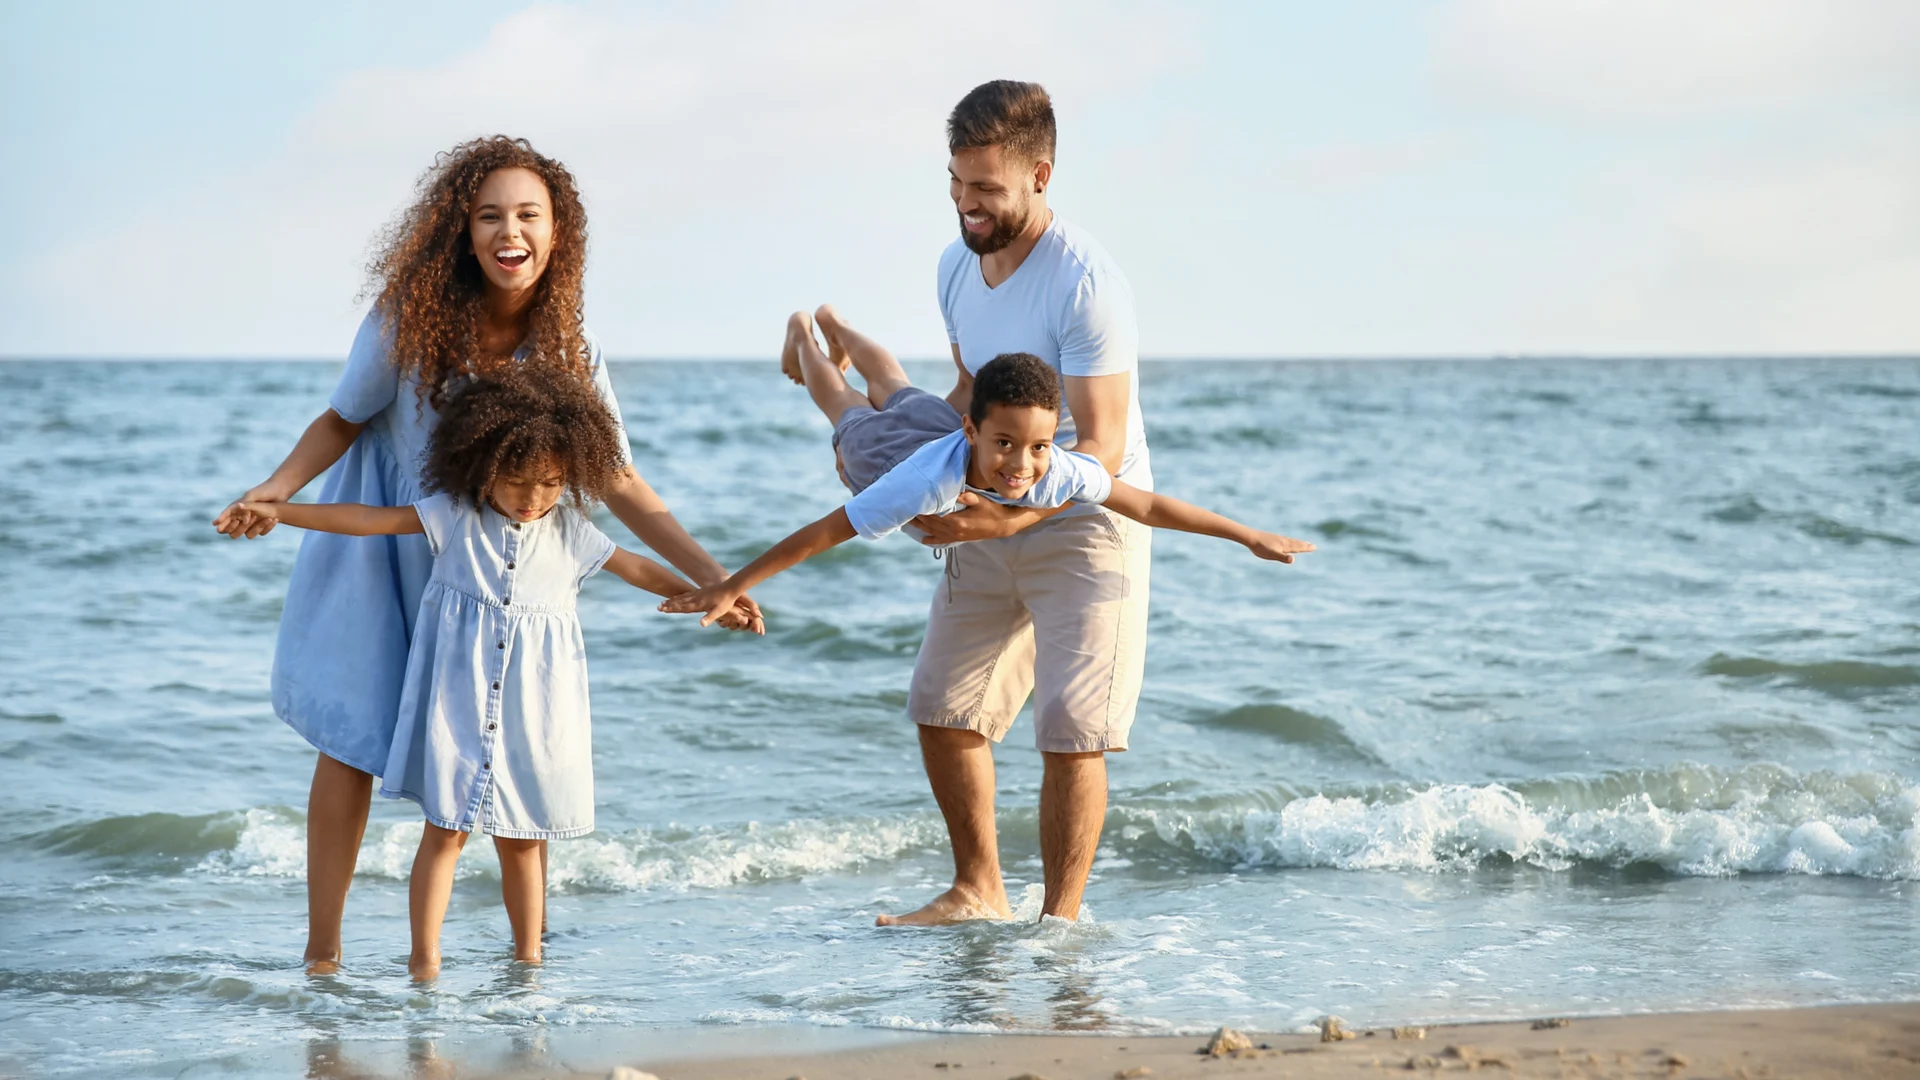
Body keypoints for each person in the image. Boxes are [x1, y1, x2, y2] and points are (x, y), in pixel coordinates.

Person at [211, 135, 759, 975]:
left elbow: (615, 479)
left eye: (529, 215)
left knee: (500, 764)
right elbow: (342, 420)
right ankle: (323, 955)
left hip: (494, 570)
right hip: (394, 542)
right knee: (352, 742)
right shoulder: (410, 317)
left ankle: (521, 955)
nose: (511, 231)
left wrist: (715, 579)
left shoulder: (572, 348)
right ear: (462, 232)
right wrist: (274, 492)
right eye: (489, 215)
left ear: (558, 232)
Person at [224, 369, 719, 979]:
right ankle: (424, 964)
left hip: (533, 713)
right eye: (515, 482)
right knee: (446, 832)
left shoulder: (568, 530)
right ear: (483, 466)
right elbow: (365, 520)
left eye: (550, 483)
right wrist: (282, 509)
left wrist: (710, 594)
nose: (532, 497)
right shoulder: (454, 515)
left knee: (523, 838)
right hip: (455, 708)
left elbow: (638, 569)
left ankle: (528, 964)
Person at [884, 80, 1159, 925]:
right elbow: (972, 389)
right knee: (943, 705)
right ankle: (978, 889)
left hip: (1088, 523)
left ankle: (1060, 922)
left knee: (1073, 729)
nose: (968, 206)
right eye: (958, 185)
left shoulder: (1086, 284)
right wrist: (922, 482)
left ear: (1041, 175)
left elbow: (1102, 448)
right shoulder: (954, 267)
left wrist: (1009, 514)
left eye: (988, 190)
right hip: (993, 500)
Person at [664, 326, 1311, 627]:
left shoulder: (1053, 466)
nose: (1021, 467)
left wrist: (1247, 535)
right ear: (973, 431)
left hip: (931, 423)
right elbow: (824, 533)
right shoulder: (917, 486)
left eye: (1035, 447)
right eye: (1005, 445)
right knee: (846, 402)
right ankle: (806, 335)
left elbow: (1147, 505)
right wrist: (733, 585)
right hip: (886, 454)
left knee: (893, 382)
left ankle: (836, 321)